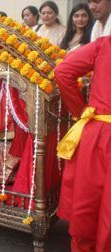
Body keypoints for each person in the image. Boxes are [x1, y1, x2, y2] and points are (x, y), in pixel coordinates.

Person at [55, 36, 111, 251]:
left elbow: (63, 72)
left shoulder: (104, 44)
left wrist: (80, 110)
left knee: (87, 205)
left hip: (97, 133)